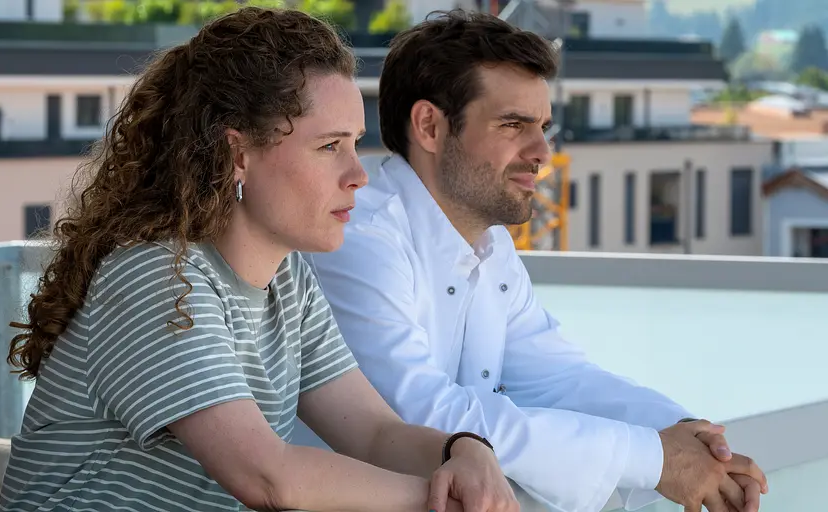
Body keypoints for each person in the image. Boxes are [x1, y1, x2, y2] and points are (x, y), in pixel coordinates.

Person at [0, 7, 520, 512]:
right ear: (238, 154)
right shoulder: (157, 277)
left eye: (355, 143)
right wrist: (446, 499)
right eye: (329, 146)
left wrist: (464, 451)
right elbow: (266, 477)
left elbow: (376, 434)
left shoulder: (288, 280)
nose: (358, 174)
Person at [302, 10, 769, 512]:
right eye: (513, 124)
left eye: (543, 126)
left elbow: (557, 377)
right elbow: (419, 413)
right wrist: (653, 458)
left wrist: (686, 435)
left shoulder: (491, 243)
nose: (542, 150)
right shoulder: (359, 234)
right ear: (430, 126)